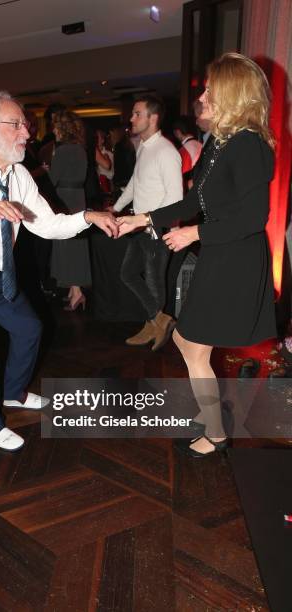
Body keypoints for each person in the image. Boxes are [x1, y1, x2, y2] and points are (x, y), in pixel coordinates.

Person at [0, 89, 117, 451]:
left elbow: (44, 224)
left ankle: (13, 392)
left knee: (29, 328)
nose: (27, 133)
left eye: (25, 125)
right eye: (16, 124)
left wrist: (87, 216)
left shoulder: (16, 174)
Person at [117, 52, 276, 457]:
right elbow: (191, 201)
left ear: (232, 93)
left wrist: (194, 233)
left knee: (190, 341)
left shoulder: (249, 145)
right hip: (219, 255)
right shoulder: (219, 143)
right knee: (190, 344)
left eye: (210, 88)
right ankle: (214, 422)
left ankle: (216, 430)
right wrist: (144, 218)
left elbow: (254, 219)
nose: (202, 95)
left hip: (237, 258)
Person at [109, 95, 183, 348]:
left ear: (153, 118)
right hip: (140, 226)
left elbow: (176, 198)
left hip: (156, 228)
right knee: (128, 273)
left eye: (137, 113)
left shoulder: (167, 152)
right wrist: (116, 208)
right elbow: (135, 184)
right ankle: (158, 319)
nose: (131, 118)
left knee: (154, 281)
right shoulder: (144, 147)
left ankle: (154, 323)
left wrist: (152, 223)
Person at [49, 111, 91, 311]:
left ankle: (76, 292)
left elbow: (53, 178)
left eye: (55, 126)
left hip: (64, 199)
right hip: (78, 198)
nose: (53, 130)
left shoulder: (63, 150)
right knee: (75, 244)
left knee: (66, 244)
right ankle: (75, 290)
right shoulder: (80, 149)